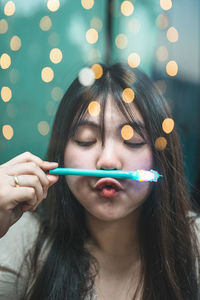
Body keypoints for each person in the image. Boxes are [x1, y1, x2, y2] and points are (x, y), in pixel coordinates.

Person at [0, 63, 199, 300]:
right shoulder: (21, 238)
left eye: (133, 140)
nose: (107, 161)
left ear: (161, 156)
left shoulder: (194, 242)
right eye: (86, 139)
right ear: (61, 151)